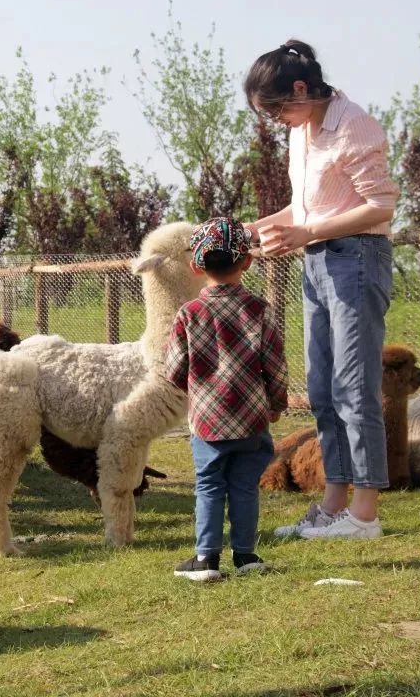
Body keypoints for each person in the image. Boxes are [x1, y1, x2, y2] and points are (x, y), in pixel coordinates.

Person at [243, 39, 399, 539]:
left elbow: (380, 206)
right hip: (318, 264)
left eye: (278, 109)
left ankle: (365, 514)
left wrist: (307, 233)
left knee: (355, 389)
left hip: (357, 260)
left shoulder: (354, 124)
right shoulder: (304, 132)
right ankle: (333, 505)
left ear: (303, 89)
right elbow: (306, 210)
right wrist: (253, 230)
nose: (277, 121)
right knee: (322, 390)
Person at [163, 217, 288, 581]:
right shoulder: (260, 310)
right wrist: (276, 404)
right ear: (247, 261)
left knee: (209, 485)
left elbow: (174, 368)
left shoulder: (190, 314)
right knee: (245, 486)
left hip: (207, 422)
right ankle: (246, 556)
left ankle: (206, 559)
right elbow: (276, 366)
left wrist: (196, 393)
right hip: (251, 419)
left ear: (196, 267)